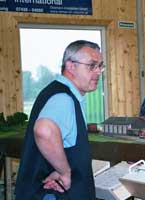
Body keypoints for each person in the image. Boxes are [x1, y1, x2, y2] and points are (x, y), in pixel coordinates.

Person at [15, 40, 104, 200]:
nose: (98, 72)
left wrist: (60, 167)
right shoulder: (63, 99)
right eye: (92, 65)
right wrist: (64, 171)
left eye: (100, 66)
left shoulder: (56, 92)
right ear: (70, 66)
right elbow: (44, 130)